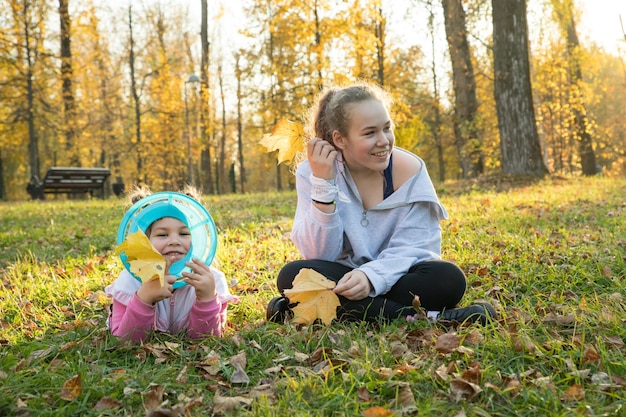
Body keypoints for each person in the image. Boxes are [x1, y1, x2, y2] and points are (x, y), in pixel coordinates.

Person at [266, 82, 495, 325]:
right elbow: (318, 254)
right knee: (292, 275)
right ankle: (430, 318)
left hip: (399, 275)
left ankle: (302, 312)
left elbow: (417, 247)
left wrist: (371, 277)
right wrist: (324, 184)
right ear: (340, 139)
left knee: (448, 279)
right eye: (369, 133)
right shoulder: (314, 171)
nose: (384, 140)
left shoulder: (410, 171)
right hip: (342, 280)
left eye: (387, 128)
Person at [105, 185, 236, 341]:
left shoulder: (211, 280)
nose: (174, 241)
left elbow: (207, 341)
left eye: (184, 233)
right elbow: (124, 342)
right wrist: (144, 298)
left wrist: (207, 299)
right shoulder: (130, 281)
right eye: (162, 234)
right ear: (145, 241)